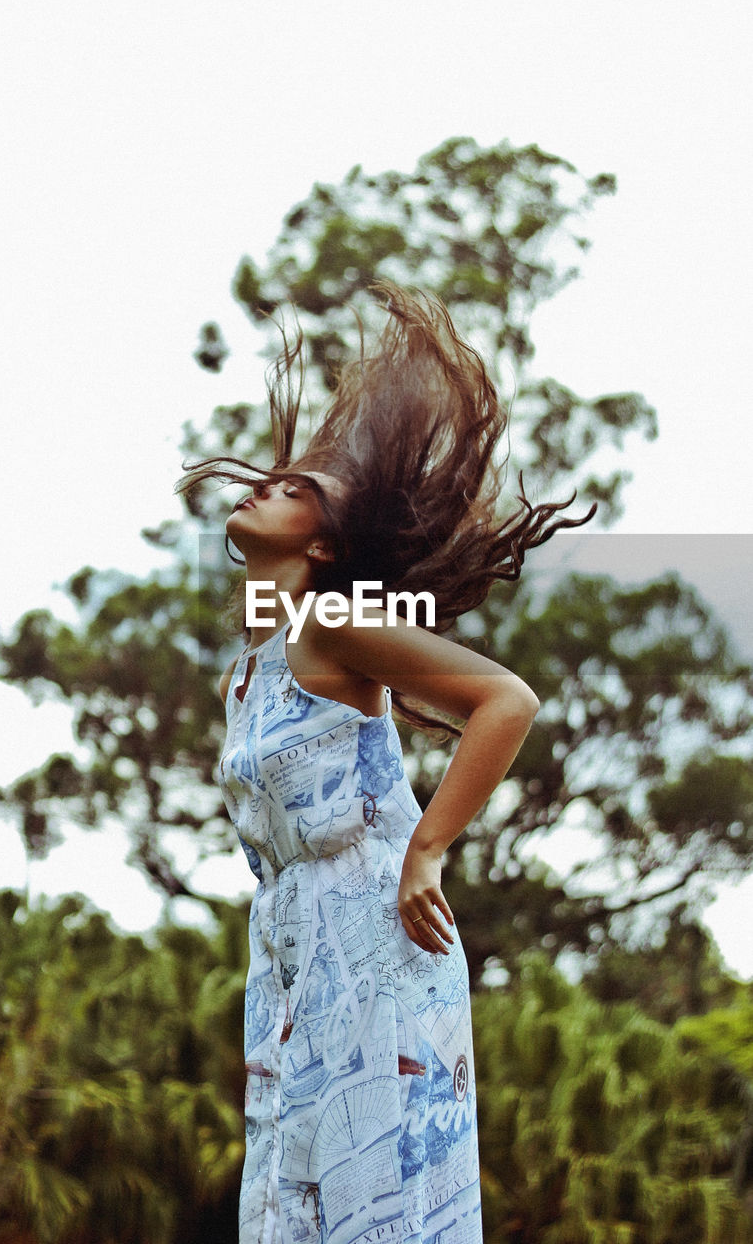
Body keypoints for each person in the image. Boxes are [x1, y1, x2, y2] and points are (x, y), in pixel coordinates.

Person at [175, 284, 593, 1244]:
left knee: (375, 1199)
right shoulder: (253, 667)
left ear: (320, 543)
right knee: (293, 1190)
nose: (260, 486)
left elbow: (504, 701)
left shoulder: (331, 622)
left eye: (290, 489)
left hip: (375, 929)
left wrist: (428, 850)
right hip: (290, 945)